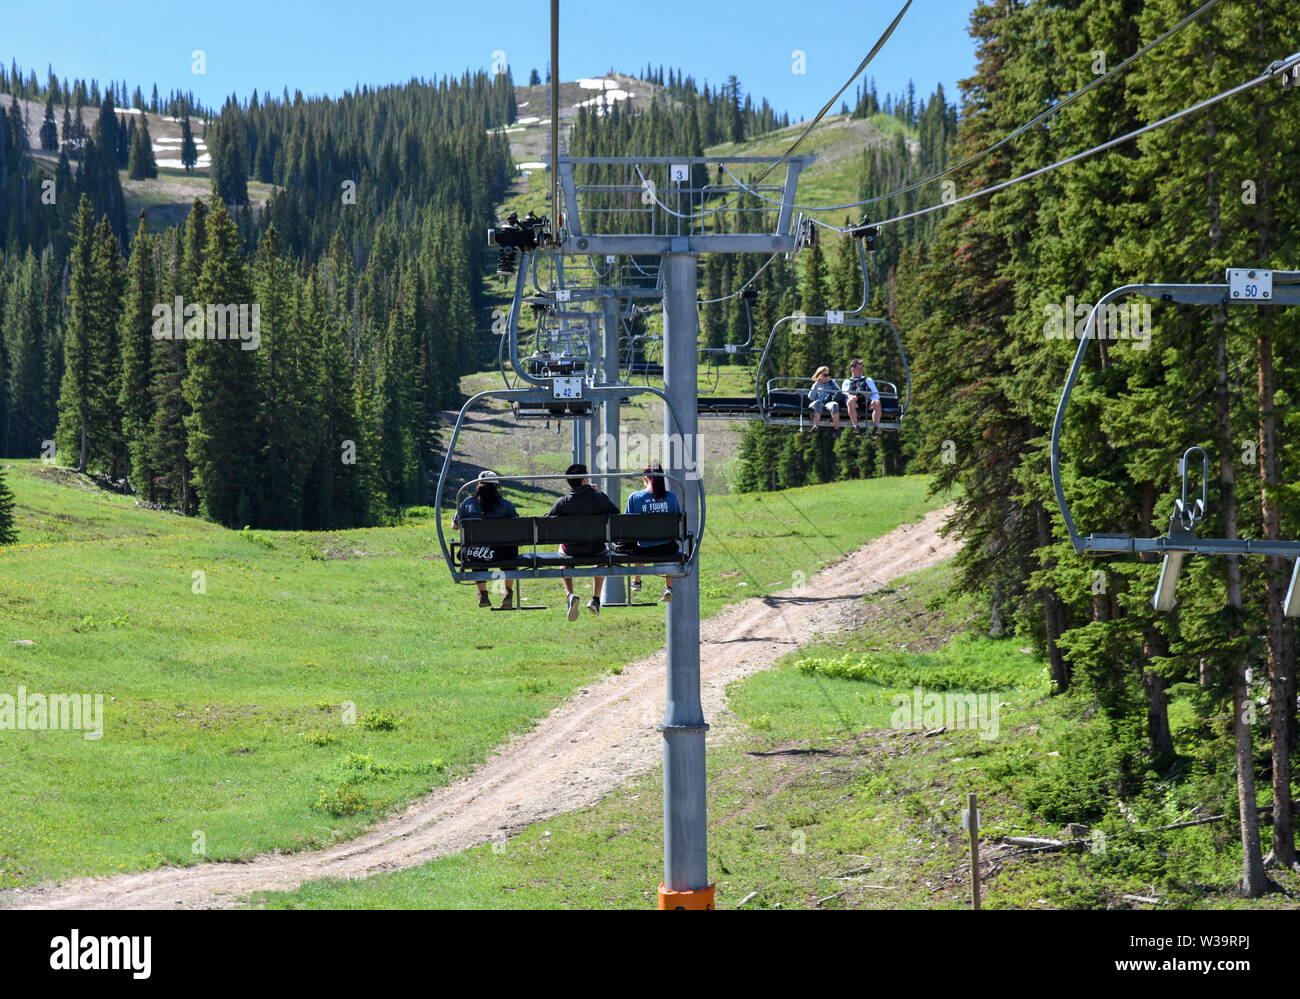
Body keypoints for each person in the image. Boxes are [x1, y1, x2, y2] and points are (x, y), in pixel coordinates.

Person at [545, 463, 618, 621]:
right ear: (584, 480)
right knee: (603, 555)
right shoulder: (598, 498)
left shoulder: (563, 502)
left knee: (562, 552)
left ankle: (570, 594)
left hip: (571, 550)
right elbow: (616, 514)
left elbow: (545, 522)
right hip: (596, 549)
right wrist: (601, 494)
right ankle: (596, 599)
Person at [451, 471, 519, 609]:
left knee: (475, 552)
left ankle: (482, 594)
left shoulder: (467, 503)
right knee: (509, 548)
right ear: (496, 488)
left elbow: (454, 526)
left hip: (477, 554)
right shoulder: (506, 506)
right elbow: (517, 526)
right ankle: (507, 592)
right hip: (503, 554)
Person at [620, 464, 681, 604]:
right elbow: (678, 522)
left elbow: (626, 524)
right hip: (666, 548)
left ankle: (637, 581)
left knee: (640, 542)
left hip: (643, 549)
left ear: (645, 478)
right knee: (666, 544)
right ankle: (668, 587)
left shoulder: (635, 497)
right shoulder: (671, 497)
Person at [843, 358, 883, 436]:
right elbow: (844, 393)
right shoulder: (847, 382)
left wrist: (868, 397)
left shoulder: (868, 380)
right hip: (855, 403)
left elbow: (876, 394)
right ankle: (855, 426)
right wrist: (851, 396)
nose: (861, 371)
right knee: (850, 401)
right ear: (852, 369)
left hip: (867, 402)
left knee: (877, 402)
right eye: (858, 369)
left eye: (862, 369)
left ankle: (876, 428)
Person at [807, 365, 843, 435]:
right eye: (825, 375)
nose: (828, 377)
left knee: (835, 405)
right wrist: (817, 383)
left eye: (829, 374)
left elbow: (839, 392)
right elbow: (811, 397)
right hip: (817, 403)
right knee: (818, 403)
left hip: (828, 402)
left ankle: (836, 429)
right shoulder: (816, 384)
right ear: (820, 375)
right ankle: (815, 426)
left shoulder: (832, 382)